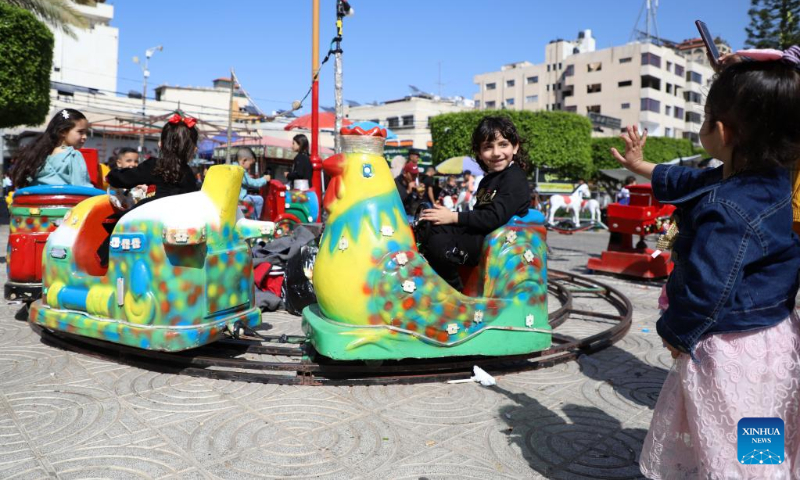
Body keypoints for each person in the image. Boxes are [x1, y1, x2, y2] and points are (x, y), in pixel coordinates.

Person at [610, 56, 800, 478]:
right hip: (770, 338)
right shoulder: (767, 178)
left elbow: (707, 288)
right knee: (758, 429)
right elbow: (686, 182)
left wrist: (676, 333)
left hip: (729, 346)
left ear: (722, 130)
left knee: (724, 436)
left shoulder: (728, 208)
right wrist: (641, 166)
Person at [419, 116, 531, 290]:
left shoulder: (514, 178)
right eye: (488, 147)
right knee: (429, 226)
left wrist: (453, 217)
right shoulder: (487, 180)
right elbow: (479, 213)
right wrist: (443, 217)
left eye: (503, 144)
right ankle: (431, 270)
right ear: (479, 153)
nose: (496, 152)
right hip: (480, 234)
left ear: (515, 147)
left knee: (438, 244)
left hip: (495, 238)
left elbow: (494, 217)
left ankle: (454, 290)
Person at [106, 113, 199, 208]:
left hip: (151, 217)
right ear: (194, 150)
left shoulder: (154, 165)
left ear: (160, 144)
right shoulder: (190, 175)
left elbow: (125, 179)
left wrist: (111, 176)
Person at [11, 108, 93, 189]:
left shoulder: (38, 157)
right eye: (80, 132)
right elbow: (82, 187)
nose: (85, 137)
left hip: (39, 200)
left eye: (86, 133)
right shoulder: (73, 156)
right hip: (65, 201)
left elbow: (29, 181)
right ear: (62, 132)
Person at [237, 147, 270, 218]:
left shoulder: (233, 167)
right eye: (250, 165)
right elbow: (251, 183)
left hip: (237, 197)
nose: (249, 168)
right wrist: (264, 179)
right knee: (259, 199)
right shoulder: (240, 170)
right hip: (240, 199)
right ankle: (256, 219)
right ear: (244, 161)